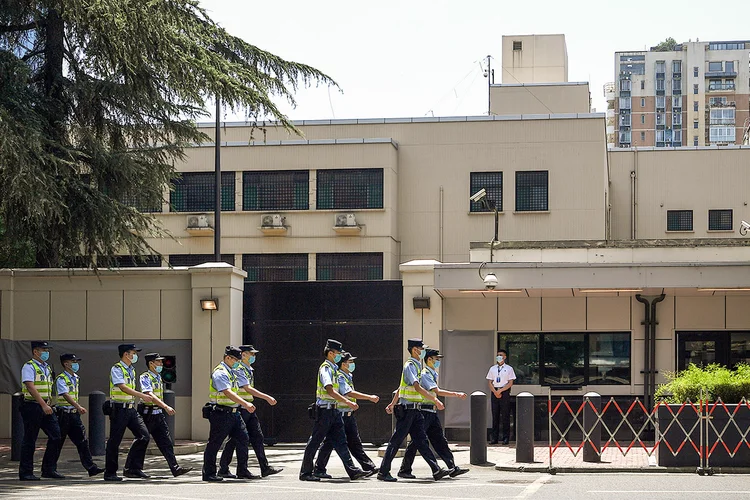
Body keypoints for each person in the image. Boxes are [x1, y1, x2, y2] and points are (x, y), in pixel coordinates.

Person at [377, 338, 450, 482]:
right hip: (407, 410)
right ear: (415, 350)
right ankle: (383, 471)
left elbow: (400, 388)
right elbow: (416, 387)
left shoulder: (416, 366)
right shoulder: (410, 365)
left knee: (422, 441)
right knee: (396, 441)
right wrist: (434, 399)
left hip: (415, 411)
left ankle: (436, 470)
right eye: (421, 349)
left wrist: (392, 403)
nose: (423, 351)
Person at [299, 339, 368, 482]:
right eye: (337, 353)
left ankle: (353, 471)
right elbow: (329, 389)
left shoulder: (334, 369)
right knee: (315, 441)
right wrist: (347, 401)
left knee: (341, 441)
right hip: (325, 411)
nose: (339, 356)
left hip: (334, 411)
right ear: (330, 353)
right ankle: (306, 473)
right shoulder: (325, 368)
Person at [397, 348, 468, 479]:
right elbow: (437, 391)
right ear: (429, 359)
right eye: (436, 359)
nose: (438, 362)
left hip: (431, 411)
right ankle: (405, 469)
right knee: (417, 442)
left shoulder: (431, 373)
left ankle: (452, 467)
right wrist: (456, 394)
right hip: (424, 411)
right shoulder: (424, 374)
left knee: (440, 440)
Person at [218, 345, 283, 479]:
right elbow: (247, 388)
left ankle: (264, 467)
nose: (254, 357)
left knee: (257, 437)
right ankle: (228, 468)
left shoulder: (248, 369)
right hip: (242, 408)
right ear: (243, 354)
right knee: (236, 440)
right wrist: (267, 397)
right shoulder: (239, 369)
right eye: (251, 354)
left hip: (248, 408)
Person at [313, 352, 380, 478]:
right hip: (340, 414)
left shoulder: (347, 376)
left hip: (348, 415)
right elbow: (348, 392)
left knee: (354, 442)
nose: (352, 364)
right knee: (331, 443)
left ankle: (367, 466)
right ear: (343, 364)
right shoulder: (339, 376)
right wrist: (369, 397)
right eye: (350, 362)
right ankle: (319, 468)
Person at [129, 353, 192, 477]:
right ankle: (132, 468)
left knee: (166, 442)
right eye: (158, 362)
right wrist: (165, 406)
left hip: (158, 414)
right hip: (147, 414)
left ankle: (175, 468)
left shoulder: (158, 377)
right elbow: (149, 394)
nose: (161, 365)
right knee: (142, 440)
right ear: (151, 363)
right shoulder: (145, 377)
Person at [202, 346, 257, 482]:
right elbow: (227, 392)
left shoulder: (231, 371)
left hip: (234, 413)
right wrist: (245, 403)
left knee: (243, 438)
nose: (238, 362)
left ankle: (241, 470)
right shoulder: (220, 372)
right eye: (236, 360)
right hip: (221, 412)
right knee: (215, 443)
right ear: (227, 358)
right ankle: (209, 473)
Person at [104, 343, 153, 481]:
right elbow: (123, 387)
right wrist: (142, 395)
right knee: (115, 441)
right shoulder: (117, 368)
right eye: (133, 353)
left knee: (144, 436)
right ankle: (110, 473)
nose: (135, 355)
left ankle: (134, 469)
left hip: (130, 409)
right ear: (126, 354)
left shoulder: (131, 369)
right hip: (119, 409)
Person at [50, 353, 104, 478]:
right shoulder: (61, 378)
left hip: (73, 415)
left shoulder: (75, 377)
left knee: (82, 441)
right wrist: (78, 406)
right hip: (63, 414)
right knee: (57, 442)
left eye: (76, 361)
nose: (76, 364)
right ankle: (49, 468)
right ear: (66, 364)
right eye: (73, 361)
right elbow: (65, 394)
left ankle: (91, 467)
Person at [19, 341, 62, 481]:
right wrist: (43, 405)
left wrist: (49, 404)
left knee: (56, 436)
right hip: (33, 406)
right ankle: (26, 472)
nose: (46, 353)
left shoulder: (47, 368)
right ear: (35, 352)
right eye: (43, 350)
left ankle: (49, 469)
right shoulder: (29, 366)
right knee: (30, 439)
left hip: (47, 406)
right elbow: (30, 386)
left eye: (47, 350)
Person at [486, 349, 516, 445]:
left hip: (505, 392)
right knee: (495, 415)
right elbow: (489, 382)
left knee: (505, 415)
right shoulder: (492, 369)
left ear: (505, 357)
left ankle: (506, 437)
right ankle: (494, 438)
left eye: (501, 355)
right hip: (494, 392)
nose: (499, 356)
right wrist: (495, 391)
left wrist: (501, 390)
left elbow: (510, 382)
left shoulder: (509, 368)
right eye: (498, 355)